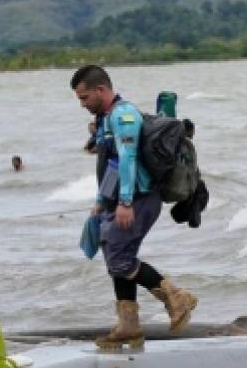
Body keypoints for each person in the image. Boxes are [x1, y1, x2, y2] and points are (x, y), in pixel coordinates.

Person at [70, 64, 199, 349]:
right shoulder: (106, 118)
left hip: (138, 199)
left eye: (84, 98)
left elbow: (127, 160)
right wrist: (101, 202)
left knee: (119, 257)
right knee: (116, 257)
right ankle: (129, 325)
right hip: (116, 200)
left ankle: (177, 296)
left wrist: (126, 202)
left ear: (101, 90)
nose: (82, 104)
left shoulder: (124, 116)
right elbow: (110, 165)